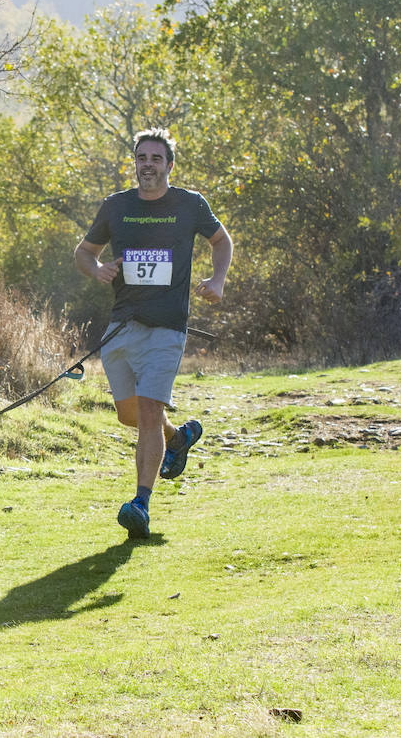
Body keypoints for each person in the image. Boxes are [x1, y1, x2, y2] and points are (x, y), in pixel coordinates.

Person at [73, 128, 232, 539]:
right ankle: (178, 437)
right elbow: (84, 252)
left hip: (167, 328)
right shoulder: (116, 207)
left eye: (156, 159)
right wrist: (97, 270)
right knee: (130, 415)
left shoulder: (190, 205)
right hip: (122, 327)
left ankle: (140, 503)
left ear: (169, 165)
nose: (148, 165)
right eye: (142, 158)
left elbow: (221, 240)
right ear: (135, 162)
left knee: (146, 413)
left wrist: (217, 281)